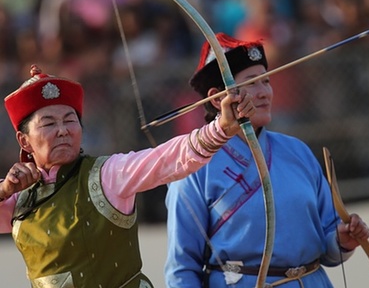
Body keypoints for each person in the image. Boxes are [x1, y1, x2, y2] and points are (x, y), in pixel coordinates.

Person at [0, 63, 255, 288]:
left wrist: (221, 128)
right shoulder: (18, 198)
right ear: (24, 140)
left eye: (70, 120)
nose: (63, 131)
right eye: (48, 124)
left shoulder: (106, 175)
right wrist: (4, 191)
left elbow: (166, 158)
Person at [164, 33, 369, 288]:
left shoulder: (298, 152)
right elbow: (181, 270)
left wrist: (343, 240)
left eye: (267, 82)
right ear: (218, 99)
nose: (264, 93)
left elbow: (328, 241)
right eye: (252, 83)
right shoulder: (192, 166)